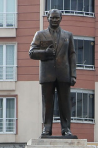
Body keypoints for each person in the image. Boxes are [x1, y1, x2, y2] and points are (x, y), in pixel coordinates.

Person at [29, 9, 77, 137]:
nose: (55, 20)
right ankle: (47, 128)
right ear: (47, 18)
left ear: (61, 18)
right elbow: (31, 53)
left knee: (65, 103)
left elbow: (72, 55)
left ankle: (66, 129)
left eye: (57, 18)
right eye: (52, 17)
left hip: (64, 74)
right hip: (47, 74)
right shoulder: (40, 35)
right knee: (47, 103)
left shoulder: (68, 35)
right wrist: (45, 53)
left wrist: (73, 75)